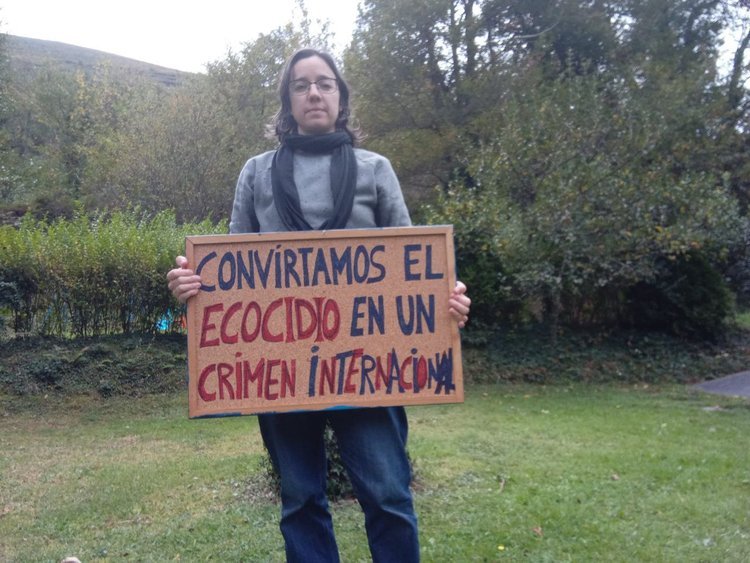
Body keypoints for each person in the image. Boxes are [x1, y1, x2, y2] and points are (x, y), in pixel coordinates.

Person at [167, 48, 471, 563]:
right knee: (301, 500)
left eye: (325, 84)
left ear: (340, 97)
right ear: (288, 100)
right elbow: (233, 269)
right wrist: (193, 285)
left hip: (369, 368)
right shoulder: (256, 172)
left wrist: (448, 301)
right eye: (302, 84)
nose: (314, 93)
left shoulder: (377, 169)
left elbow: (413, 263)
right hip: (281, 370)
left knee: (389, 496)